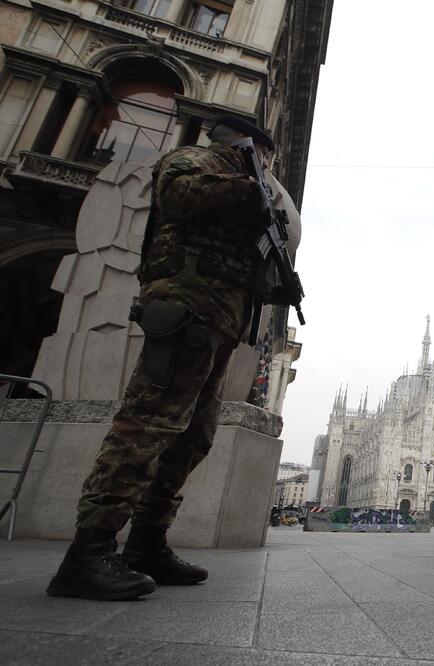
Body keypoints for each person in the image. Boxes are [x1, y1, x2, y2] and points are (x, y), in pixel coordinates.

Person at [46, 115, 274, 601]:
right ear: (244, 143)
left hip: (220, 321)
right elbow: (177, 195)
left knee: (193, 435)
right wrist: (244, 184)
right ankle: (88, 551)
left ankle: (148, 542)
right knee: (146, 424)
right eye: (264, 152)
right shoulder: (196, 160)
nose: (269, 163)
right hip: (185, 310)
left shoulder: (245, 183)